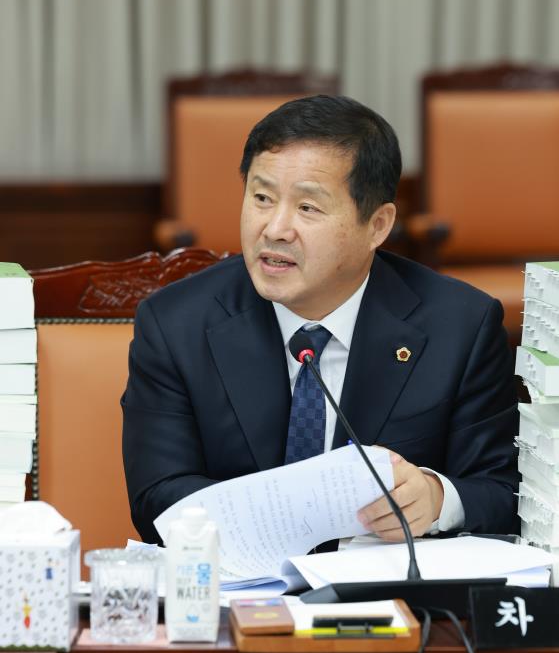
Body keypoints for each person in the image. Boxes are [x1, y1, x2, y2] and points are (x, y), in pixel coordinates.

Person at [122, 94, 519, 545]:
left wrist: (436, 498)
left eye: (308, 208)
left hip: (389, 585)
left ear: (378, 225)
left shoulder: (460, 326)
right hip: (238, 582)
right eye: (262, 198)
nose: (275, 229)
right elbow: (158, 497)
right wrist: (288, 519)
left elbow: (502, 492)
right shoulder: (176, 324)